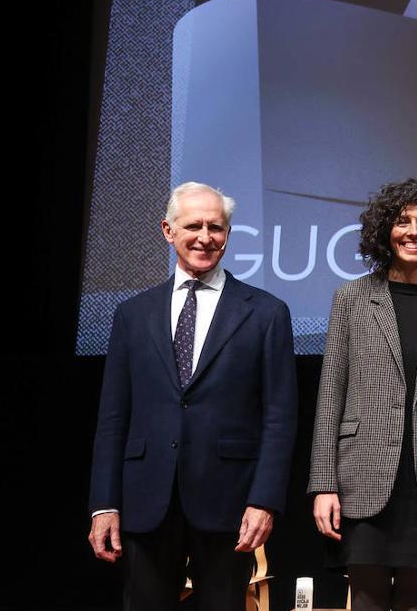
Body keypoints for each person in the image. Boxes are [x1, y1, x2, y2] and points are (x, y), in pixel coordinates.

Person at [88, 181, 298, 611]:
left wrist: (265, 501)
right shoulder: (132, 314)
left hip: (229, 503)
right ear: (168, 230)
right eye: (194, 226)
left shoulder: (266, 313)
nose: (205, 237)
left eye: (216, 227)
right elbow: (113, 416)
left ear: (228, 234)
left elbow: (280, 417)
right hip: (146, 500)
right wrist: (103, 504)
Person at [308, 179, 417, 611]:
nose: (414, 231)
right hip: (362, 478)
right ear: (385, 229)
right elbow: (330, 394)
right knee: (365, 601)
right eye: (403, 221)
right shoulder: (350, 298)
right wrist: (323, 484)